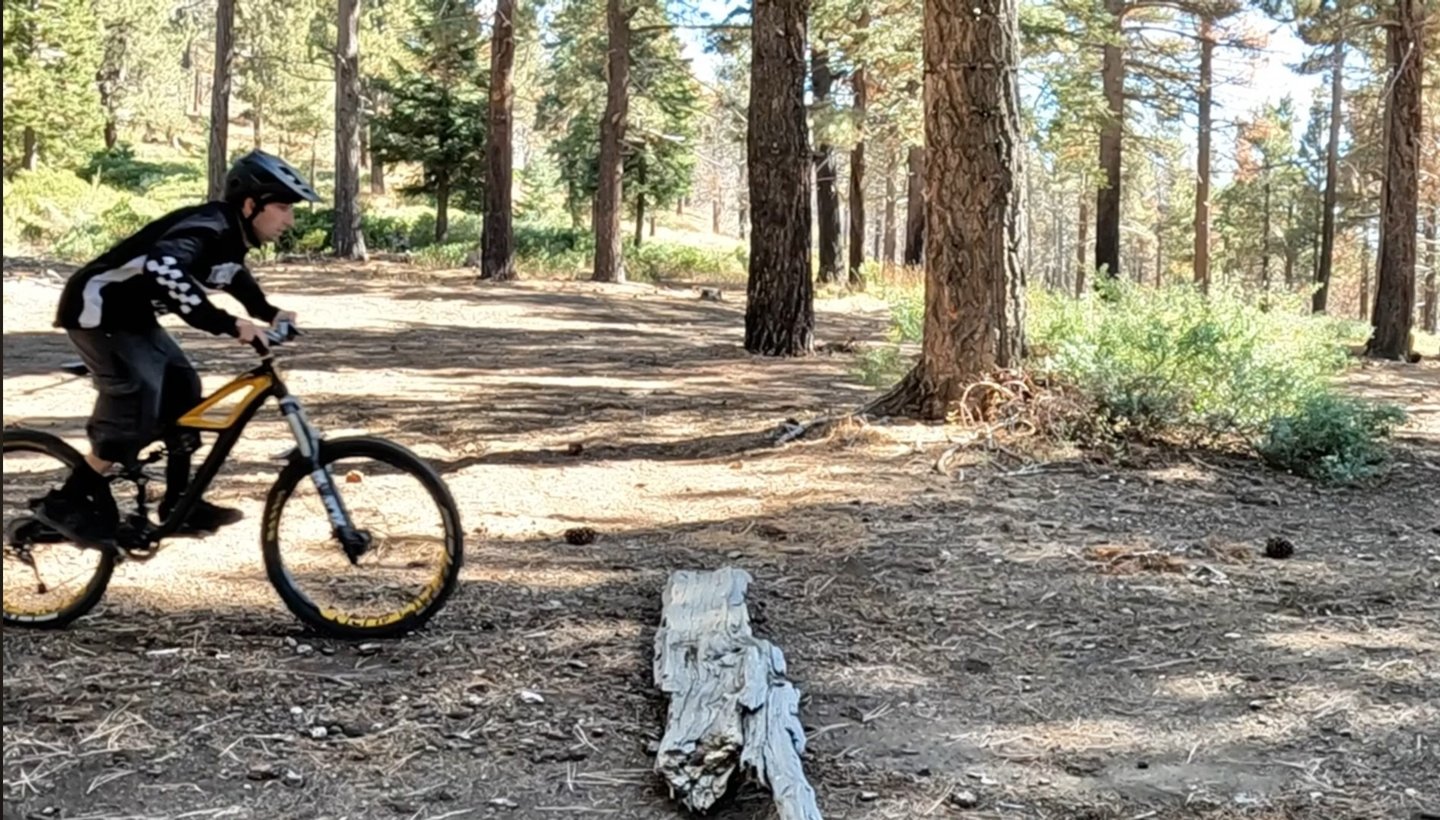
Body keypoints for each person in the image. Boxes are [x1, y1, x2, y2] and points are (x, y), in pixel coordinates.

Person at [33, 149, 322, 547]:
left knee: (184, 389)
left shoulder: (231, 238)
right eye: (285, 207)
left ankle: (179, 504)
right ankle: (64, 504)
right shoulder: (208, 225)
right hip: (97, 309)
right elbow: (162, 267)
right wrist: (228, 323)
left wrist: (269, 313)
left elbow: (232, 277)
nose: (290, 220)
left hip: (133, 319)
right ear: (251, 204)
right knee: (137, 402)